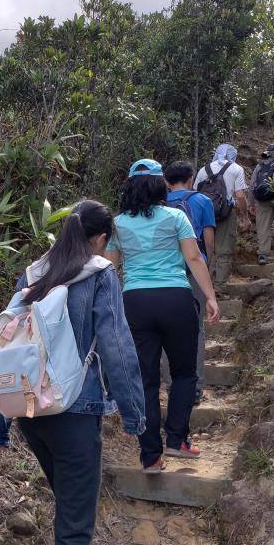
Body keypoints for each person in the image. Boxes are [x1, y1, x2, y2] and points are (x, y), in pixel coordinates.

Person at [0, 199, 146, 545]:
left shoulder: (33, 274)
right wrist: (134, 414)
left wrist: (0, 412)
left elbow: (13, 345)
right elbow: (117, 348)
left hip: (31, 411)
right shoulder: (101, 274)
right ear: (101, 238)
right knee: (75, 527)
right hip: (75, 409)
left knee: (69, 504)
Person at [105, 159, 220, 474]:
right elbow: (194, 258)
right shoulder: (176, 216)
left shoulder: (118, 224)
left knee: (145, 380)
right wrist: (210, 296)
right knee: (183, 373)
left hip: (135, 302)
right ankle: (177, 439)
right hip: (175, 299)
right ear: (161, 185)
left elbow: (110, 268)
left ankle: (150, 456)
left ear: (128, 186)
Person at [162, 161, 216, 404]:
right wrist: (207, 265)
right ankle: (196, 387)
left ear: (166, 180)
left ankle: (172, 386)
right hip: (193, 271)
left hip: (165, 273)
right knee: (196, 329)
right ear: (191, 177)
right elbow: (208, 237)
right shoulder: (202, 201)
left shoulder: (159, 203)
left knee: (165, 332)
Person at [193, 144, 250, 289]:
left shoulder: (203, 169)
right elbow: (240, 196)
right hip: (226, 213)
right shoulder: (236, 169)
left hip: (204, 214)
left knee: (205, 249)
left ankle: (204, 286)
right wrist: (245, 216)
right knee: (224, 250)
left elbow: (194, 193)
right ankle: (219, 287)